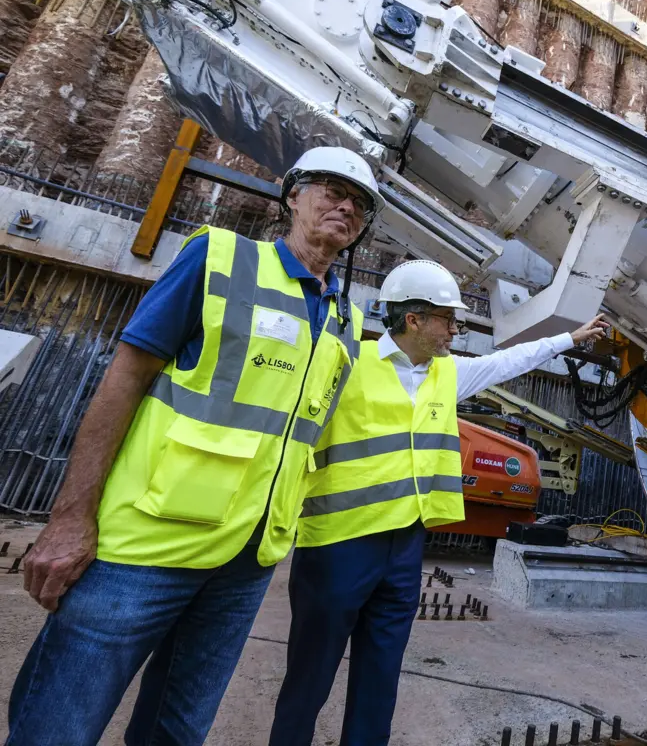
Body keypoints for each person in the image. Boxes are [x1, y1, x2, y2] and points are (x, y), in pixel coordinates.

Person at [7, 146, 385, 746]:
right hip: (148, 545)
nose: (347, 207)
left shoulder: (345, 319)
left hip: (247, 559)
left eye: (360, 203)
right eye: (333, 190)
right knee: (59, 726)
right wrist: (70, 519)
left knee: (179, 730)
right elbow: (126, 377)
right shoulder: (220, 259)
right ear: (293, 195)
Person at [268, 260, 607, 746]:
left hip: (405, 549)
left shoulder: (448, 374)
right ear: (414, 319)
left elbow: (509, 361)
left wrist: (567, 339)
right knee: (309, 676)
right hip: (337, 546)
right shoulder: (346, 363)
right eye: (448, 319)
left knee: (380, 679)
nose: (455, 330)